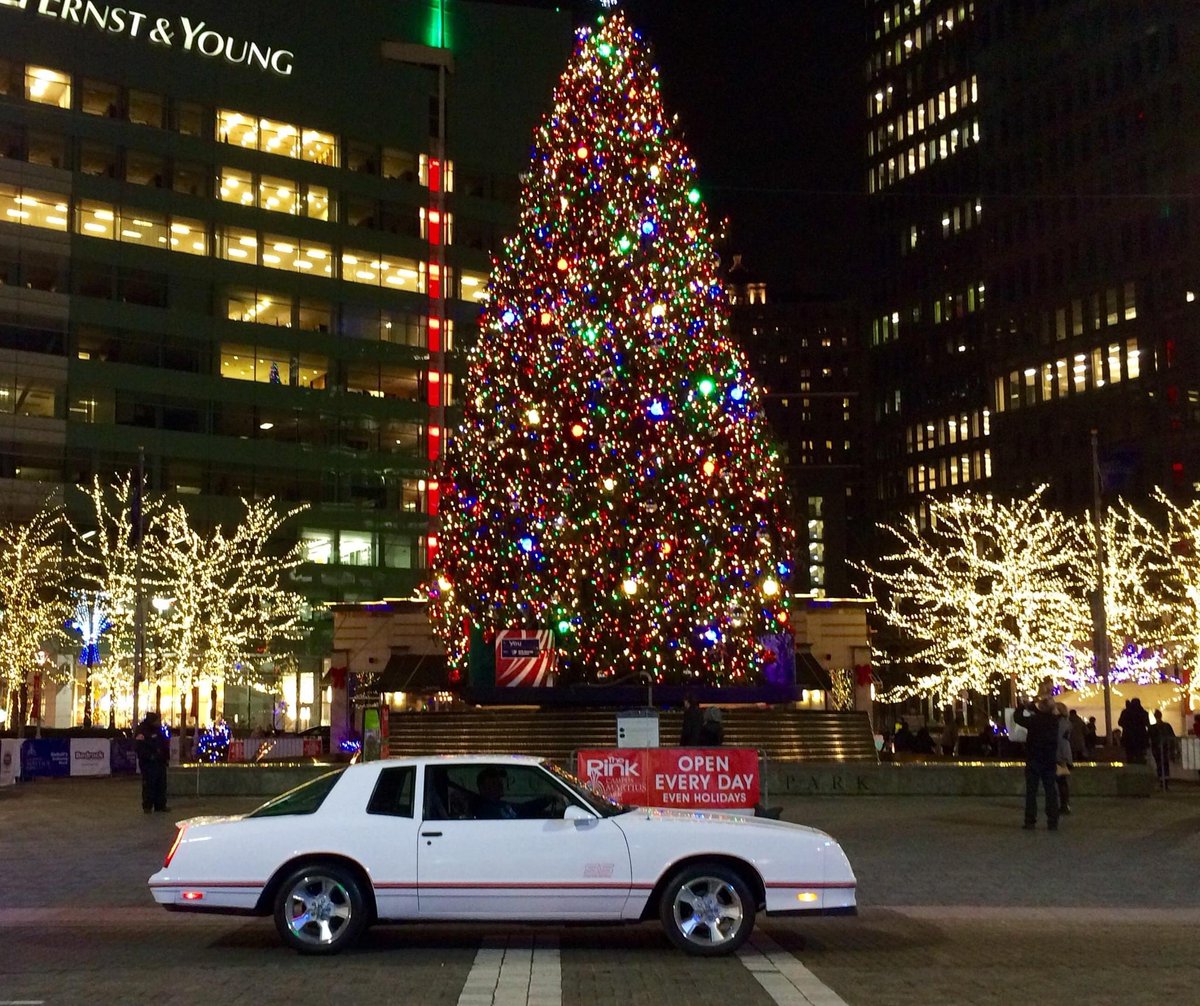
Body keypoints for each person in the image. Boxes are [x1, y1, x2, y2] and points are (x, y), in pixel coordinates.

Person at [1013, 689, 1060, 830]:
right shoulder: (1054, 721)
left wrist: (1027, 705)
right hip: (1049, 759)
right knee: (1050, 790)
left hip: (1034, 758)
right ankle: (1053, 820)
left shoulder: (1034, 720)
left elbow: (1018, 718)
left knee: (1031, 791)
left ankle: (1030, 820)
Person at [471, 767, 556, 820]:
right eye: (494, 783)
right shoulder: (486, 810)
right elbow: (522, 811)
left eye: (499, 782)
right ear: (482, 788)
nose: (500, 786)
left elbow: (522, 808)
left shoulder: (500, 804)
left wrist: (547, 800)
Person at [134, 712, 170, 814]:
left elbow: (164, 744)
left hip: (159, 761)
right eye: (157, 721)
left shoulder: (158, 730)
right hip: (148, 763)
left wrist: (165, 757)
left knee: (161, 783)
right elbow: (139, 746)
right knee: (149, 784)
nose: (159, 722)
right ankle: (147, 806)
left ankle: (160, 805)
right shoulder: (142, 730)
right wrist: (149, 756)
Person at [1148, 709, 1176, 791]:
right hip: (1165, 748)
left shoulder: (1152, 727)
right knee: (1165, 765)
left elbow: (1149, 737)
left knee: (1159, 765)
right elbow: (1172, 736)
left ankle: (1162, 782)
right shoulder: (1167, 726)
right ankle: (1165, 783)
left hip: (1156, 749)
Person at [1054, 702, 1073, 815]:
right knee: (1062, 781)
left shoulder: (1059, 723)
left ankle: (1063, 805)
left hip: (1059, 754)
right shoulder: (1066, 722)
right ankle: (1064, 804)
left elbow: (1059, 740)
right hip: (1064, 753)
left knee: (1060, 781)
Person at [1120, 698, 1151, 764]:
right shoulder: (1144, 713)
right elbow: (1147, 724)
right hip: (1140, 738)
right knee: (1140, 755)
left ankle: (1131, 769)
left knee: (1129, 756)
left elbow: (1120, 722)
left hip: (1128, 737)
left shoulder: (1125, 712)